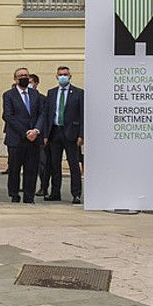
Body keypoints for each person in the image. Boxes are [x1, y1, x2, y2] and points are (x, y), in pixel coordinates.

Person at [3, 67, 47, 203]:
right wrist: (25, 132)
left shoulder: (36, 94)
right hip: (16, 138)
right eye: (21, 75)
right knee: (14, 169)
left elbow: (42, 114)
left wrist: (36, 130)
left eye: (26, 75)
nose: (24, 77)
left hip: (34, 138)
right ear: (15, 79)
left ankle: (29, 196)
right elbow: (8, 116)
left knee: (31, 169)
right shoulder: (9, 95)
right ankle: (14, 194)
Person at [43, 66, 85, 204]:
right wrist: (45, 134)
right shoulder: (52, 92)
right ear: (56, 76)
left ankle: (76, 193)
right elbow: (47, 114)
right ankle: (55, 192)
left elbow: (82, 114)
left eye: (65, 74)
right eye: (60, 74)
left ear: (70, 76)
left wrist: (81, 135)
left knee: (73, 164)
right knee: (55, 164)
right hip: (55, 132)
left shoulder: (78, 93)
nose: (63, 77)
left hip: (71, 133)